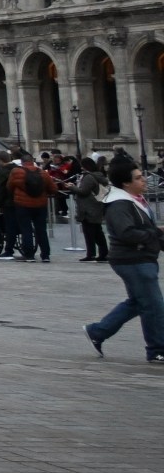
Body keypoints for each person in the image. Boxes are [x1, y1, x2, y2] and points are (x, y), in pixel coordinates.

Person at [83, 155, 161, 363]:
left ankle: (97, 332)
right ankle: (157, 348)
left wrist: (155, 234)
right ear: (126, 183)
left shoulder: (132, 201)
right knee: (153, 305)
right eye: (138, 178)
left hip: (140, 257)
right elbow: (126, 233)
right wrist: (154, 233)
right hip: (133, 259)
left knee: (138, 302)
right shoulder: (119, 204)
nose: (143, 180)